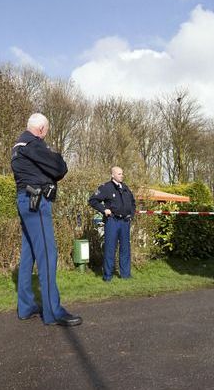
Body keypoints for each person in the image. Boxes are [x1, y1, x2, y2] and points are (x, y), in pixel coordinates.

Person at [11, 113, 82, 326]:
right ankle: (53, 311)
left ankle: (26, 307)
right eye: (46, 131)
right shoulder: (33, 144)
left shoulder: (18, 146)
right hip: (36, 201)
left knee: (29, 255)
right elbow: (60, 167)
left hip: (24, 199)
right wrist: (56, 157)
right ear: (41, 129)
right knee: (48, 255)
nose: (46, 135)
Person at [88, 166, 136, 281]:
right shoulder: (106, 188)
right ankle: (108, 276)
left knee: (125, 249)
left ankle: (125, 275)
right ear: (113, 175)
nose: (122, 175)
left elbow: (133, 203)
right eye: (119, 174)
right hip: (112, 221)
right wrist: (104, 210)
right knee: (110, 249)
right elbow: (93, 200)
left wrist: (131, 215)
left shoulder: (125, 188)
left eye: (122, 173)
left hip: (125, 222)